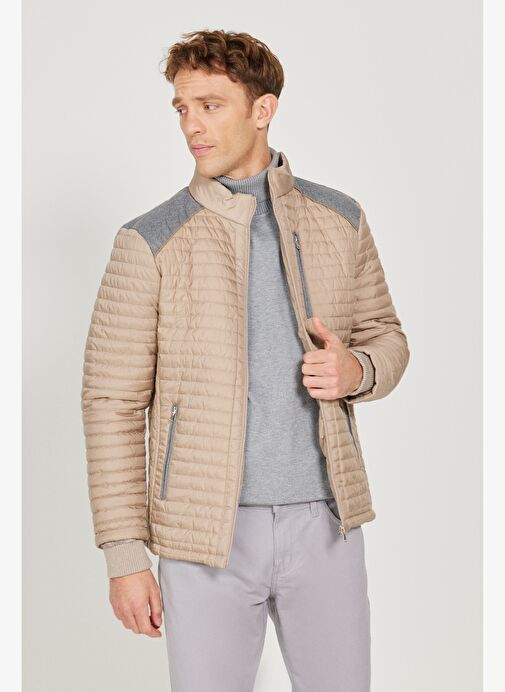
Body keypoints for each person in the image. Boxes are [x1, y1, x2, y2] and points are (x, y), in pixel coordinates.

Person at [81, 28, 410, 692]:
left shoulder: (339, 218)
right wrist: (124, 556)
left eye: (210, 105)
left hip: (325, 521)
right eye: (182, 108)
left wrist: (356, 371)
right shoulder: (148, 240)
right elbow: (111, 403)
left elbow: (386, 336)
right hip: (204, 534)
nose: (191, 126)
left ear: (263, 109)